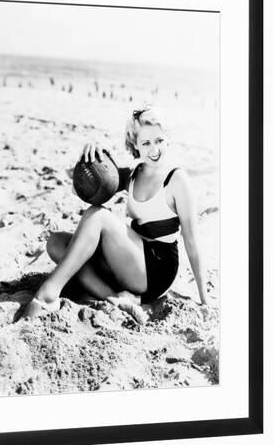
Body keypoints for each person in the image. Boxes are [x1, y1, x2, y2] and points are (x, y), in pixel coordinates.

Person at [22, 105, 209, 323]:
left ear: (167, 139)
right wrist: (91, 158)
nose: (154, 149)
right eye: (146, 143)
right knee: (56, 243)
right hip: (127, 261)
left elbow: (192, 241)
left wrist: (204, 300)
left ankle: (47, 295)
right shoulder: (132, 176)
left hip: (156, 268)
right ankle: (117, 299)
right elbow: (84, 190)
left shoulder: (177, 179)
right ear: (135, 146)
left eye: (159, 140)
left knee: (98, 216)